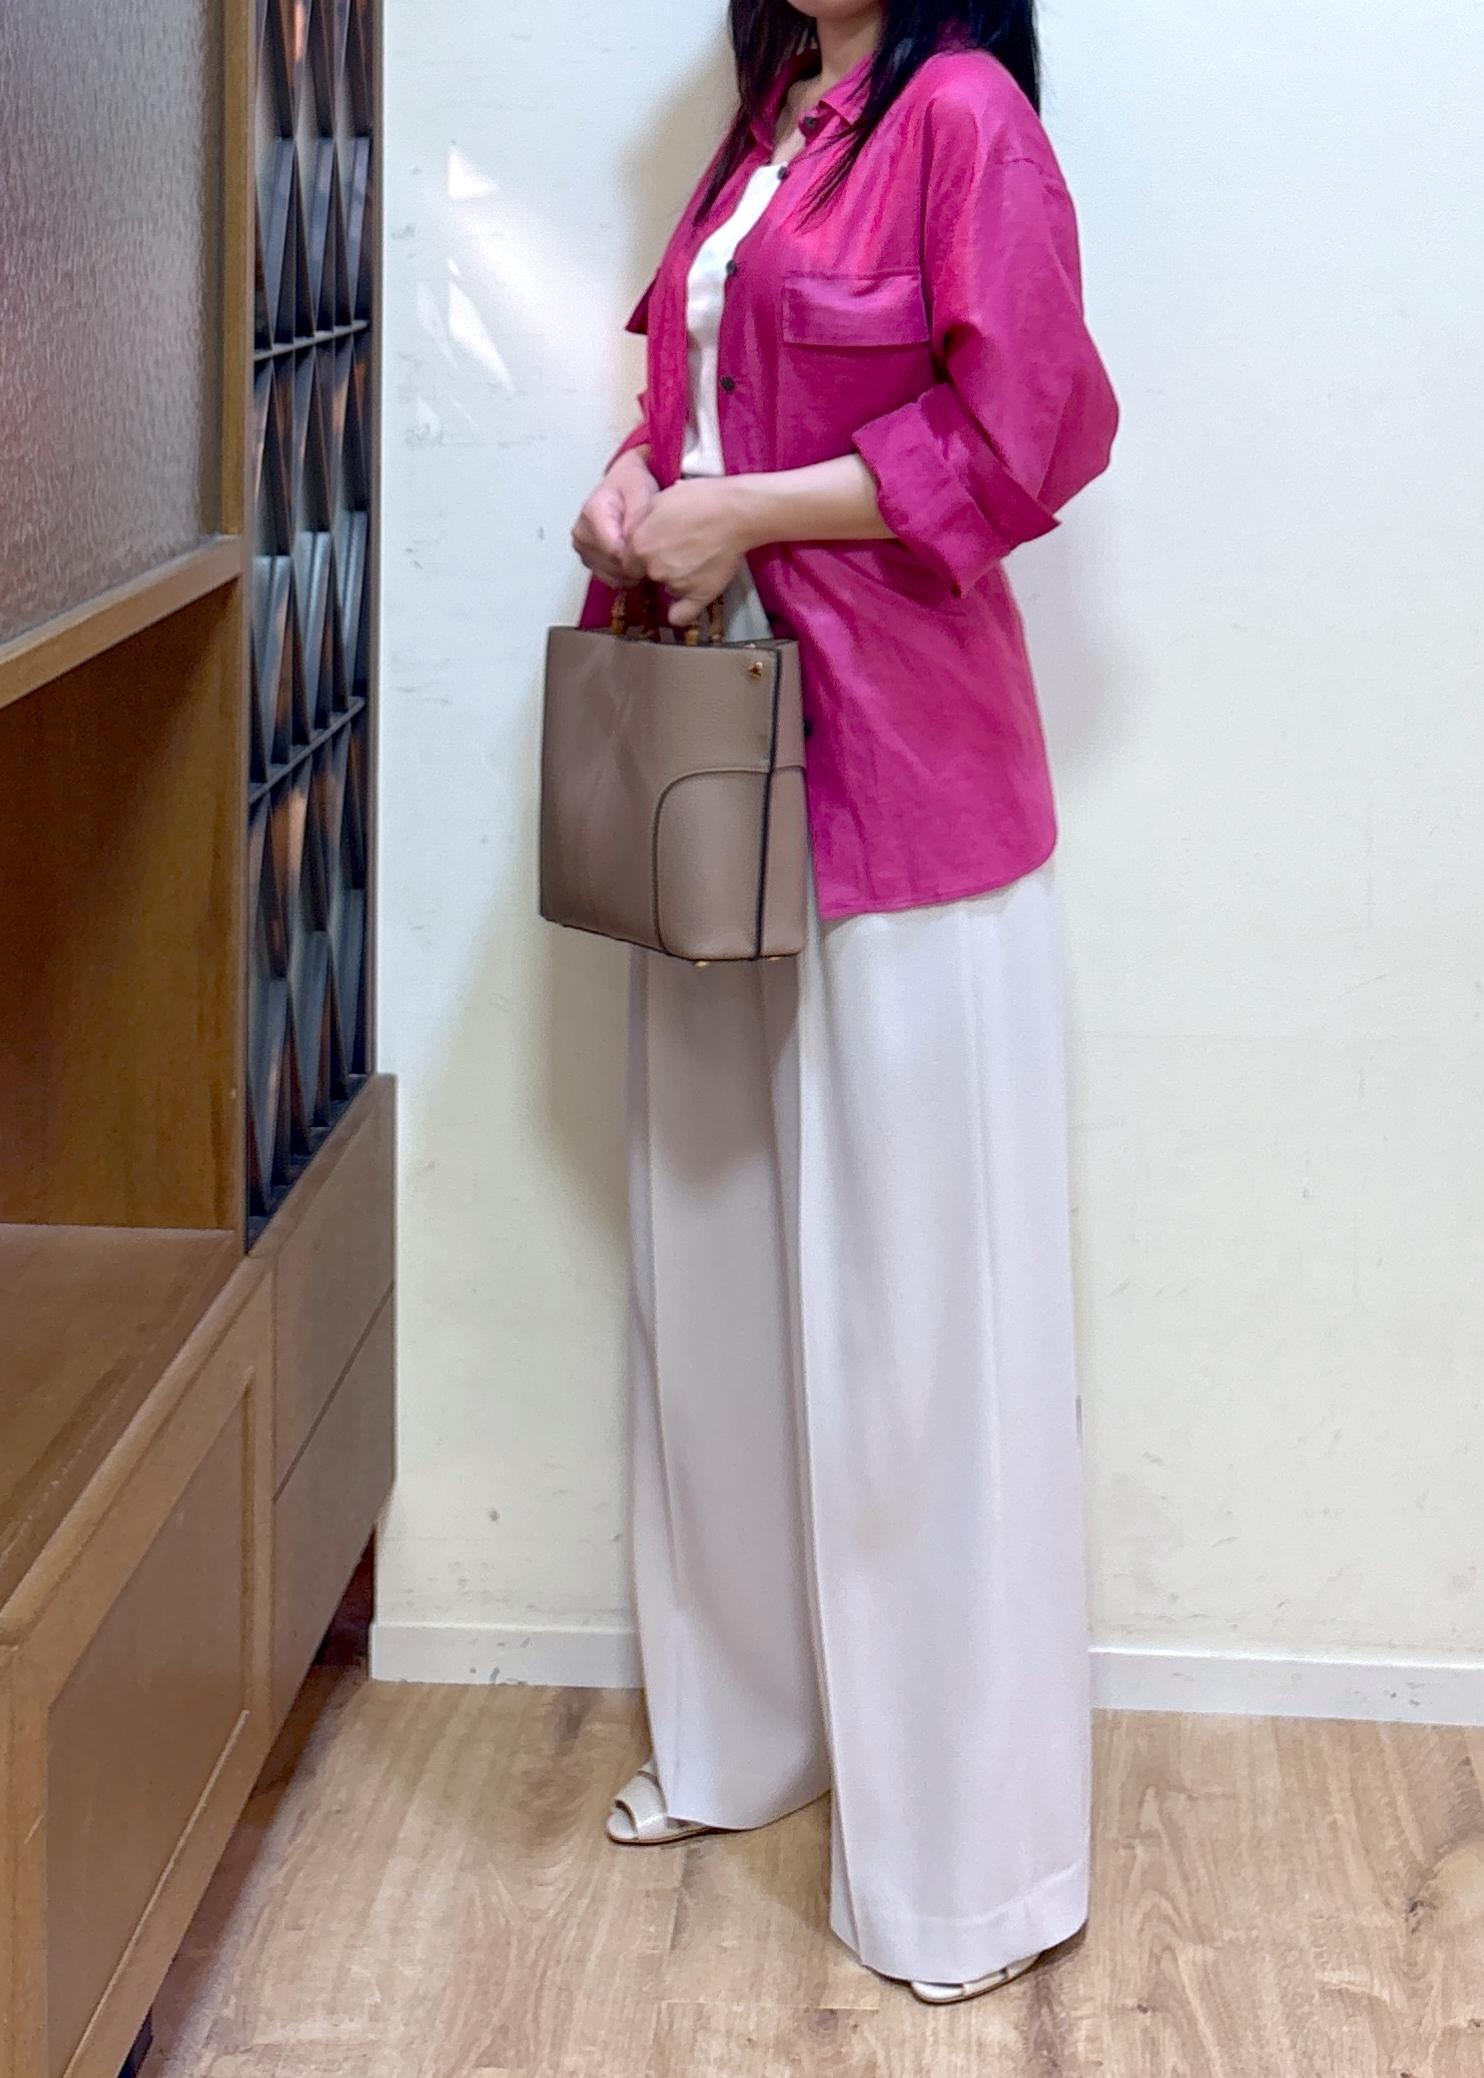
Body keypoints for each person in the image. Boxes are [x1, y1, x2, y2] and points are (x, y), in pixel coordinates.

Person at [569, 0, 1117, 2008]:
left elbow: (1029, 428)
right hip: (714, 763)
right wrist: (637, 480)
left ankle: (968, 1861)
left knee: (920, 1329)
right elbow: (691, 384)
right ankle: (751, 1734)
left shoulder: (960, 119)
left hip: (902, 783)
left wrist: (750, 510)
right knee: (710, 1262)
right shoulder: (770, 120)